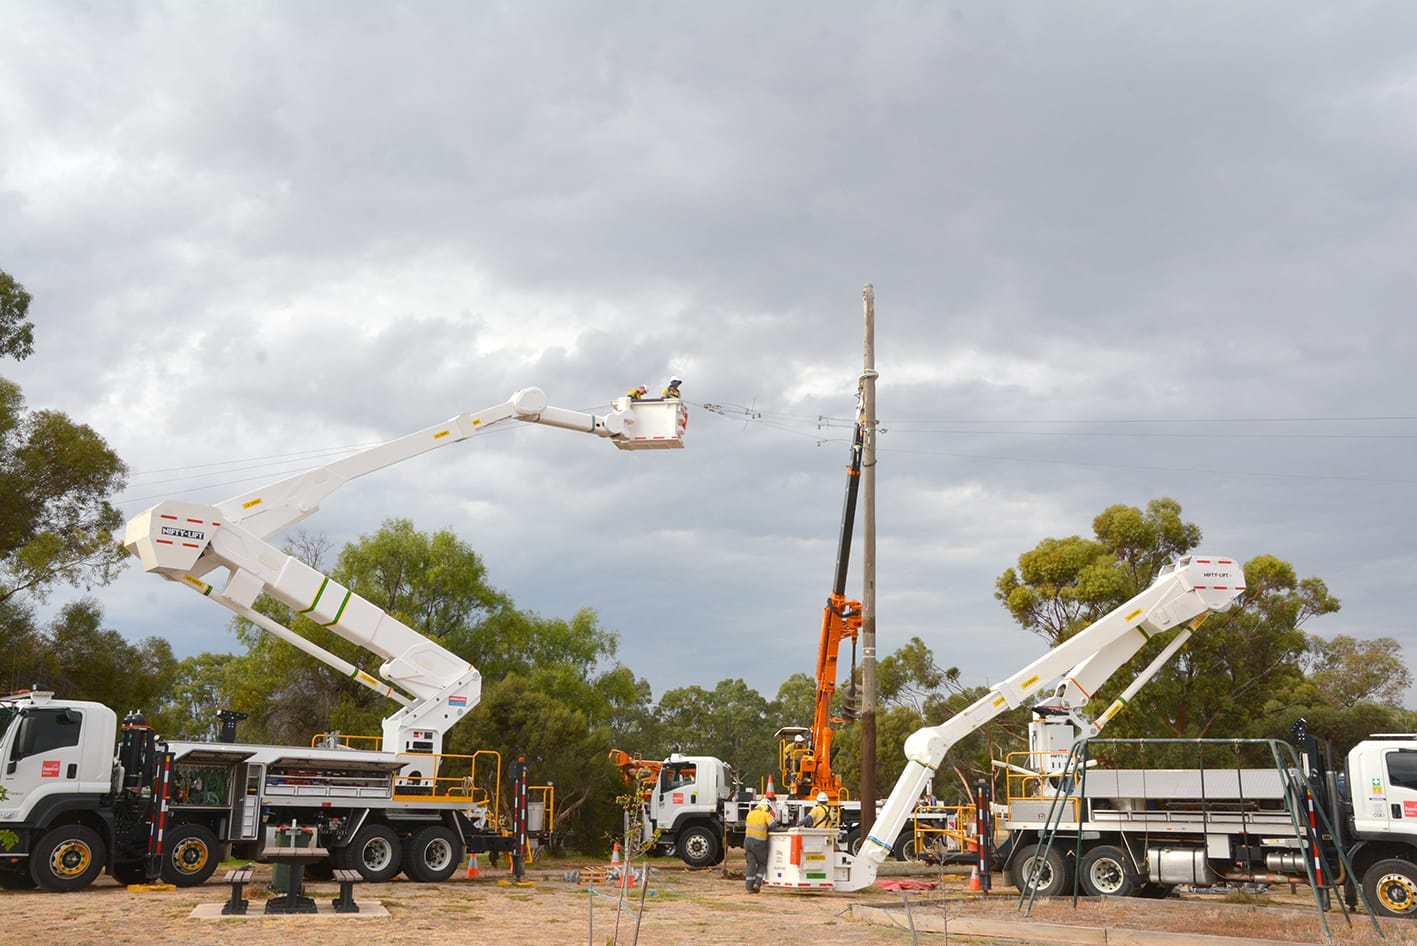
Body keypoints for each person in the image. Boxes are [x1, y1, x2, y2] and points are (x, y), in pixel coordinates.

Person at [743, 799, 776, 893]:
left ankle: (749, 888)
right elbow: (773, 825)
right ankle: (757, 884)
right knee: (762, 864)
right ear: (766, 807)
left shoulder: (750, 814)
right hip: (759, 843)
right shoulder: (765, 815)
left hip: (747, 842)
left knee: (751, 864)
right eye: (769, 808)